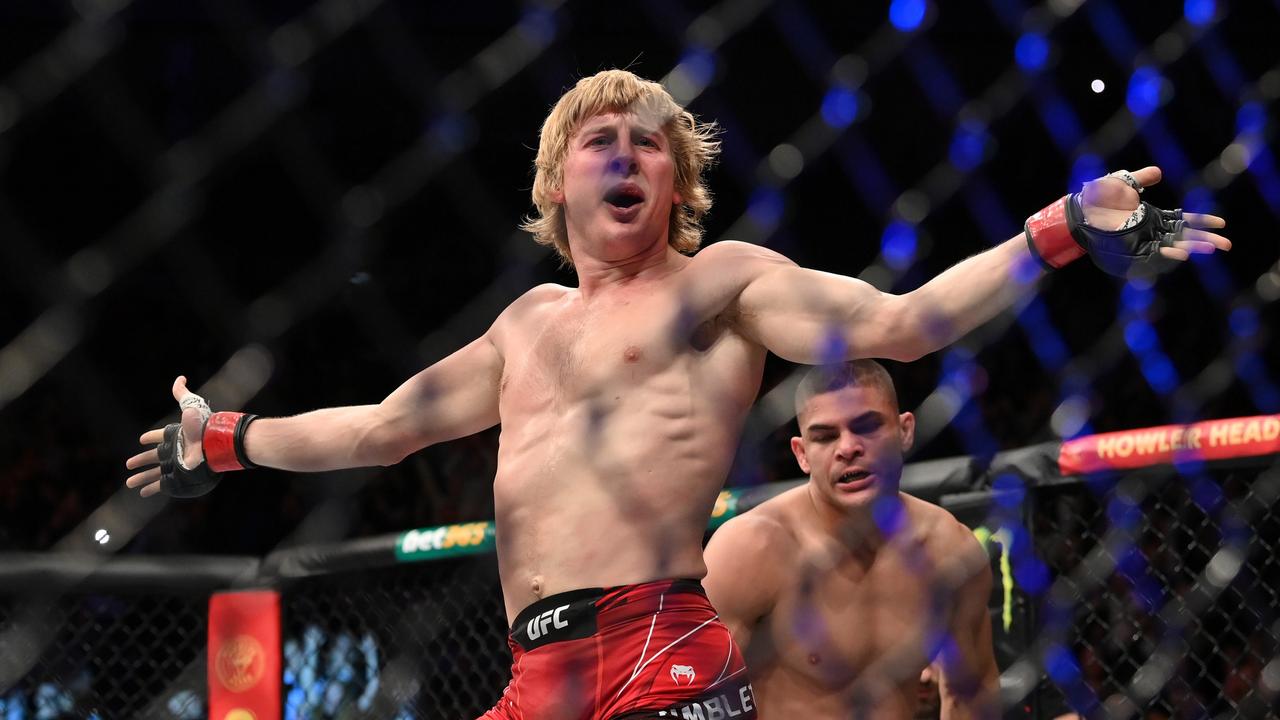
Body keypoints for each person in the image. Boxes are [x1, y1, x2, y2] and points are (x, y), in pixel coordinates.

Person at [123, 69, 1229, 720]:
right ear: (557, 185)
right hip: (536, 667)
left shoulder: (719, 287)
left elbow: (900, 323)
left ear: (674, 182)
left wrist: (1054, 236)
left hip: (658, 642)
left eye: (647, 145)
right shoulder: (522, 329)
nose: (624, 156)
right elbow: (376, 432)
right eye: (599, 142)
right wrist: (223, 439)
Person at [702, 360, 998, 718]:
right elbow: (700, 700)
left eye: (867, 427)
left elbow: (973, 692)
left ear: (905, 430)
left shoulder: (949, 550)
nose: (848, 448)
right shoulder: (752, 549)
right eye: (825, 436)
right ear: (801, 454)